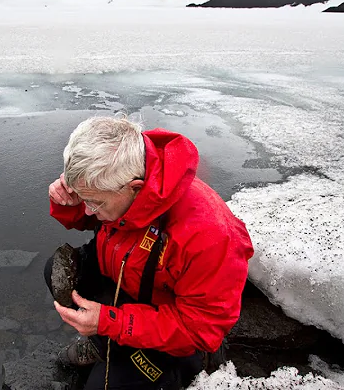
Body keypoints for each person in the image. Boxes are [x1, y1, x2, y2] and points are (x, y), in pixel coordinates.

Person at [45, 115, 254, 390]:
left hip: (170, 328)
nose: (88, 210)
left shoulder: (209, 235)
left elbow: (201, 330)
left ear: (135, 189)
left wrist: (109, 322)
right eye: (84, 200)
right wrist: (67, 202)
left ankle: (175, 369)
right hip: (126, 278)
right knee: (57, 270)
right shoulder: (122, 180)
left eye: (94, 202)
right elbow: (87, 219)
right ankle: (104, 347)